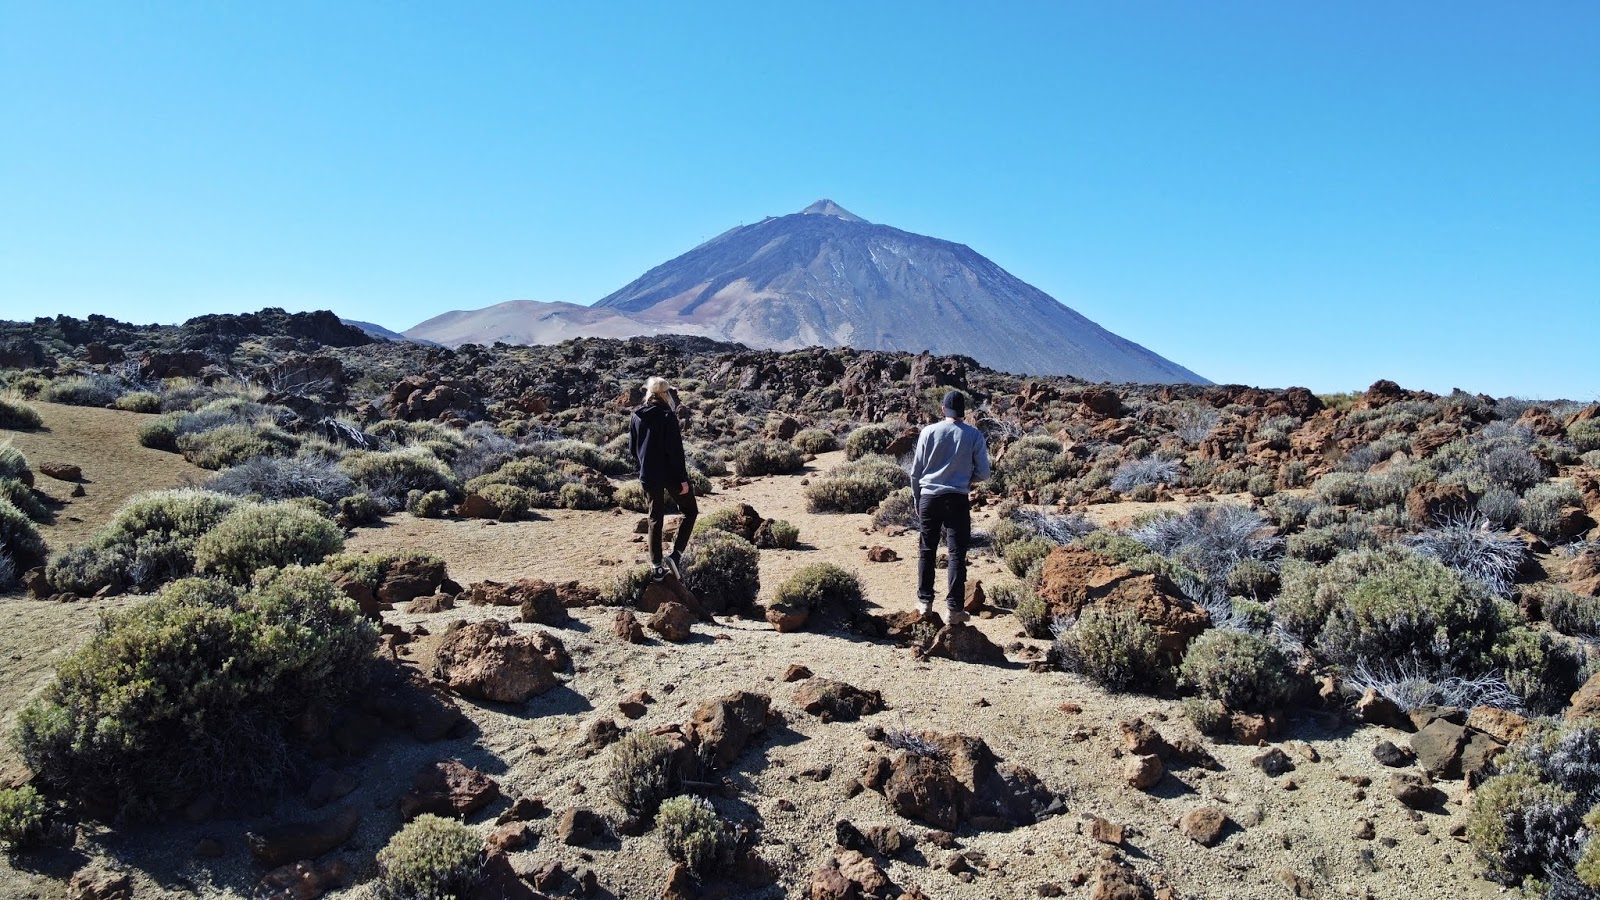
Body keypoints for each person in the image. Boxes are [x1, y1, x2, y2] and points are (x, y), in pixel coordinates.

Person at [909, 390, 991, 624]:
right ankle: (954, 610)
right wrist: (965, 479)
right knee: (956, 553)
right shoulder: (974, 435)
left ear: (943, 409)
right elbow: (984, 473)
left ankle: (924, 603)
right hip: (957, 499)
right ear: (963, 411)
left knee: (927, 550)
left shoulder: (928, 432)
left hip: (929, 498)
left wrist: (917, 498)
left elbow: (915, 472)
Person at [628, 376, 698, 580]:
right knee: (690, 511)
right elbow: (675, 452)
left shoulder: (636, 416)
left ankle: (656, 566)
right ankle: (675, 556)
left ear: (649, 394)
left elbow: (633, 449)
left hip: (648, 474)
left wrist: (643, 465)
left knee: (654, 518)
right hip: (670, 474)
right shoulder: (668, 416)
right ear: (665, 394)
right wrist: (683, 479)